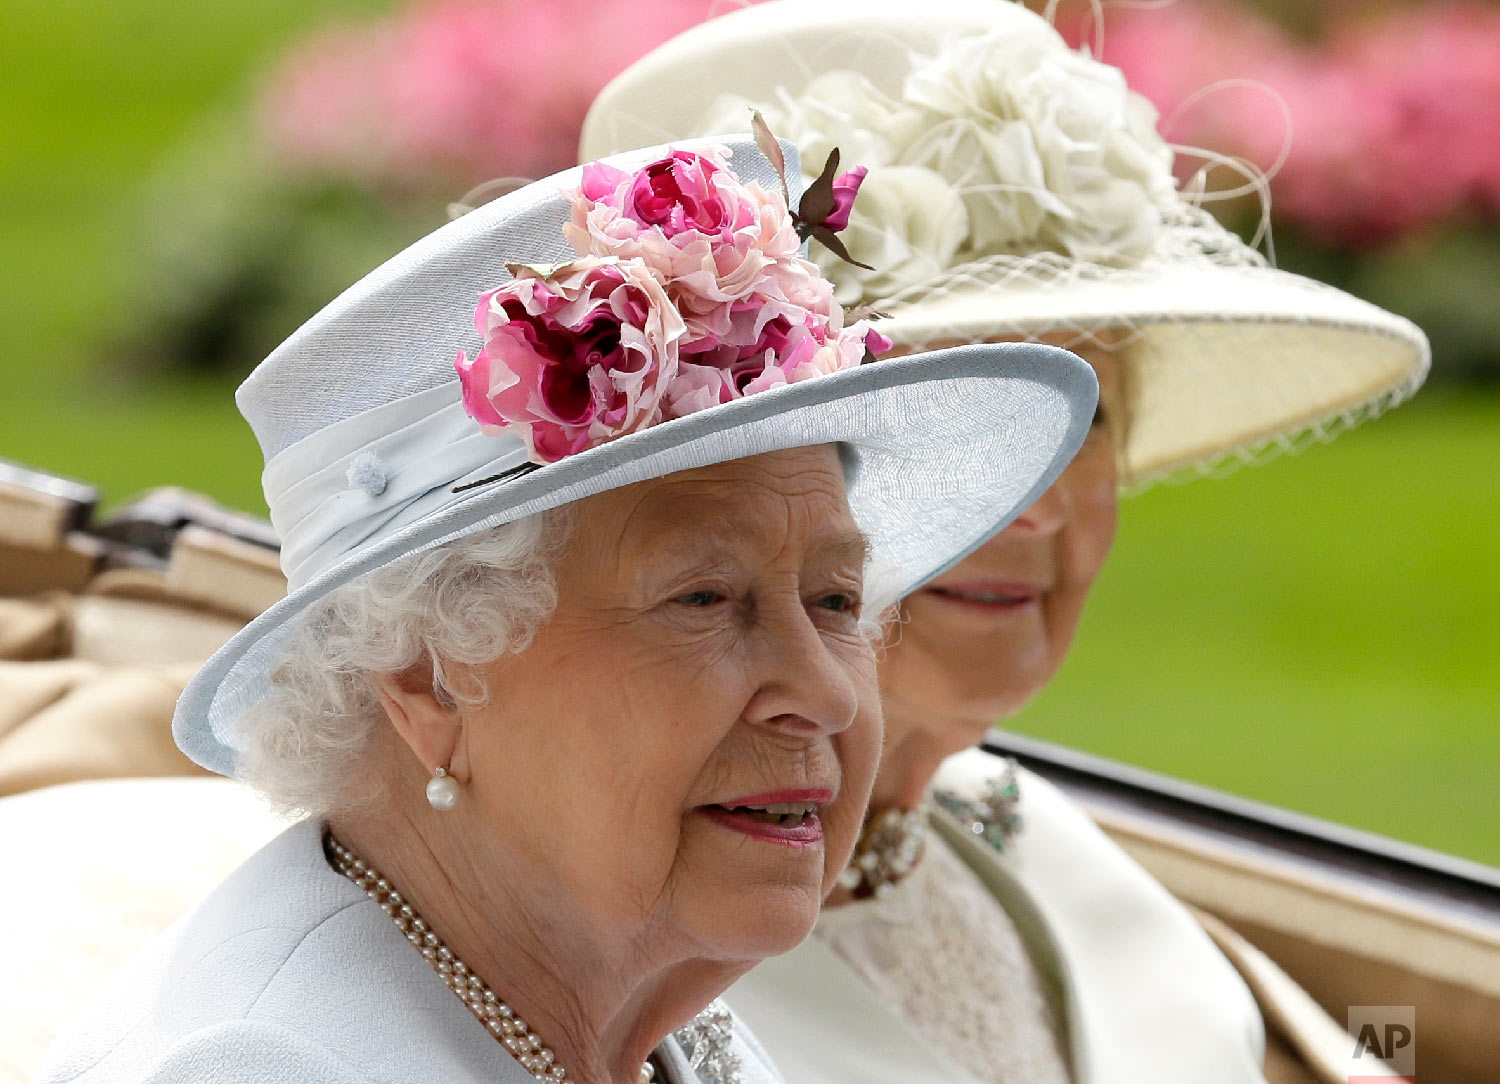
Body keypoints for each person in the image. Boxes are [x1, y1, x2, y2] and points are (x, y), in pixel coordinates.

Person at [34, 132, 1095, 1084]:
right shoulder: (264, 1068)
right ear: (427, 673)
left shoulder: (642, 1014)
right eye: (706, 597)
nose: (820, 688)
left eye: (834, 599)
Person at [580, 3, 1430, 1083]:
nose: (1035, 506)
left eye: (1086, 419)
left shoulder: (1025, 836)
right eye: (957, 423)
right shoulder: (591, 978)